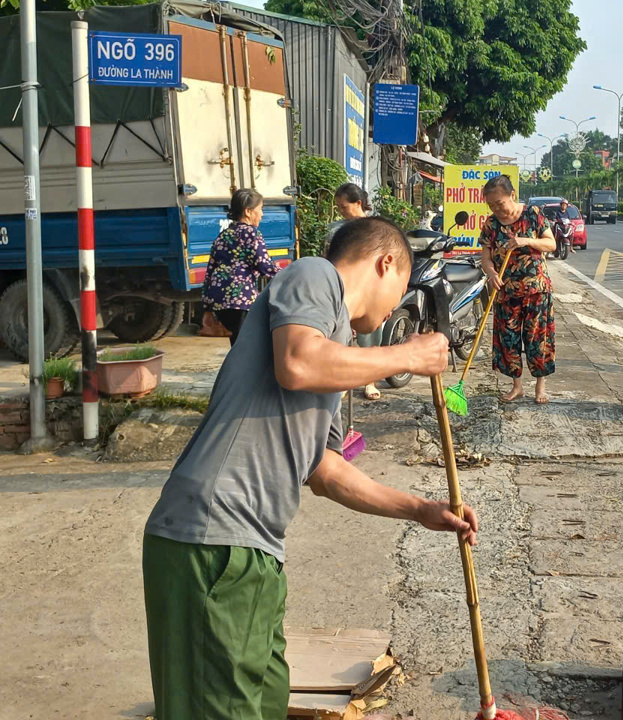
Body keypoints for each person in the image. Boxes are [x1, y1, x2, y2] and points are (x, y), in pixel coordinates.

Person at [142, 217, 477, 720]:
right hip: (211, 538)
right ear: (386, 263)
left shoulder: (338, 347)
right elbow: (297, 363)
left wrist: (421, 510)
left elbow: (326, 471)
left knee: (265, 700)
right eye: (401, 291)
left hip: (253, 551)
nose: (395, 310)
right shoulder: (314, 275)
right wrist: (404, 354)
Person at [479, 175, 557, 405]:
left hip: (536, 289)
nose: (496, 209)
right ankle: (516, 386)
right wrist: (491, 274)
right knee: (508, 339)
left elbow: (551, 244)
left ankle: (540, 386)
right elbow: (486, 258)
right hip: (506, 291)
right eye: (491, 205)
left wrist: (526, 241)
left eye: (499, 203)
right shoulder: (491, 224)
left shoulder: (533, 214)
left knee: (537, 338)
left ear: (512, 195)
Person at [201, 188, 281, 346]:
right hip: (240, 299)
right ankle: (240, 371)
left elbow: (210, 270)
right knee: (245, 346)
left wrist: (206, 307)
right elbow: (264, 266)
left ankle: (238, 369)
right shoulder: (251, 233)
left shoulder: (223, 235)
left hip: (219, 300)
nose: (262, 214)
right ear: (248, 212)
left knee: (237, 343)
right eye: (260, 209)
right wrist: (291, 274)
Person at [327, 183, 383, 400]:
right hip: (341, 289)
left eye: (344, 207)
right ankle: (344, 381)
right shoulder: (335, 230)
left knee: (368, 337)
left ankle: (369, 381)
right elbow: (327, 257)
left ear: (358, 203)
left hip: (369, 291)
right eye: (339, 207)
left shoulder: (375, 229)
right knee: (339, 336)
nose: (341, 211)